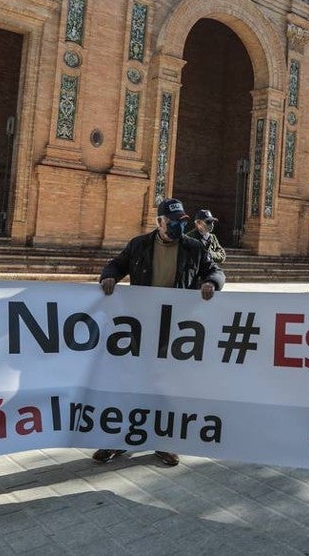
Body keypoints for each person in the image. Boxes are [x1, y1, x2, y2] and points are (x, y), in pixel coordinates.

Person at [94, 198, 224, 468]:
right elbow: (117, 264)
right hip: (140, 328)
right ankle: (119, 438)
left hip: (176, 331)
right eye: (173, 221)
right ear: (160, 222)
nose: (178, 226)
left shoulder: (194, 247)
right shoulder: (139, 245)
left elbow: (214, 271)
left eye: (181, 222)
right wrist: (109, 276)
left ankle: (164, 441)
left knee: (166, 387)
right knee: (131, 383)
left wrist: (211, 282)